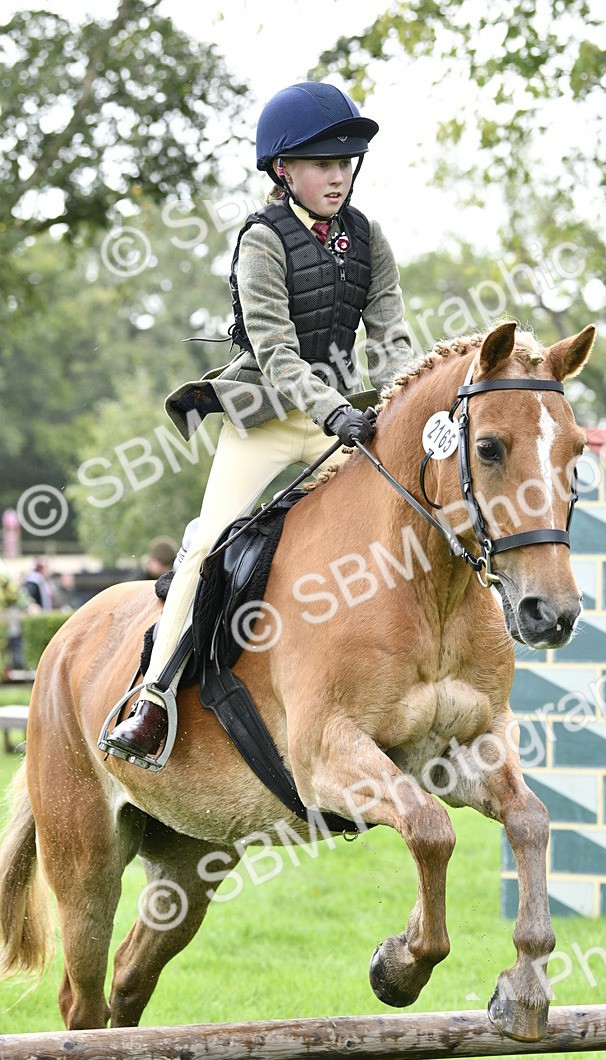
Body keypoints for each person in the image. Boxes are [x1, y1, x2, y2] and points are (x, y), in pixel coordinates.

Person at [102, 81, 413, 767]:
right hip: (269, 416)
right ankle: (152, 696)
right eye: (321, 164)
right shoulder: (262, 241)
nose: (338, 176)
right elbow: (275, 353)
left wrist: (407, 399)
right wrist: (333, 407)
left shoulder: (370, 238)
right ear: (283, 172)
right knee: (207, 543)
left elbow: (391, 336)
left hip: (340, 422)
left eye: (345, 163)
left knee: (401, 524)